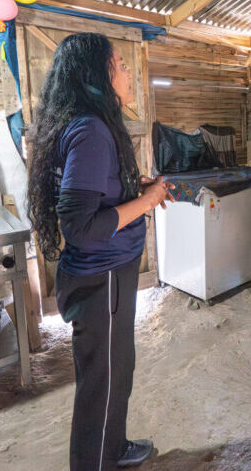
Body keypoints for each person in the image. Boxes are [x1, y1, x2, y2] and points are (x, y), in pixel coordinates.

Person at [27, 33, 174, 470]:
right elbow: (82, 227)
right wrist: (146, 202)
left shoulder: (87, 123)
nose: (128, 73)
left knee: (115, 373)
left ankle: (113, 448)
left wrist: (136, 189)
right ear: (99, 73)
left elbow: (96, 196)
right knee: (102, 383)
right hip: (101, 277)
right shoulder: (91, 130)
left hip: (108, 274)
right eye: (121, 65)